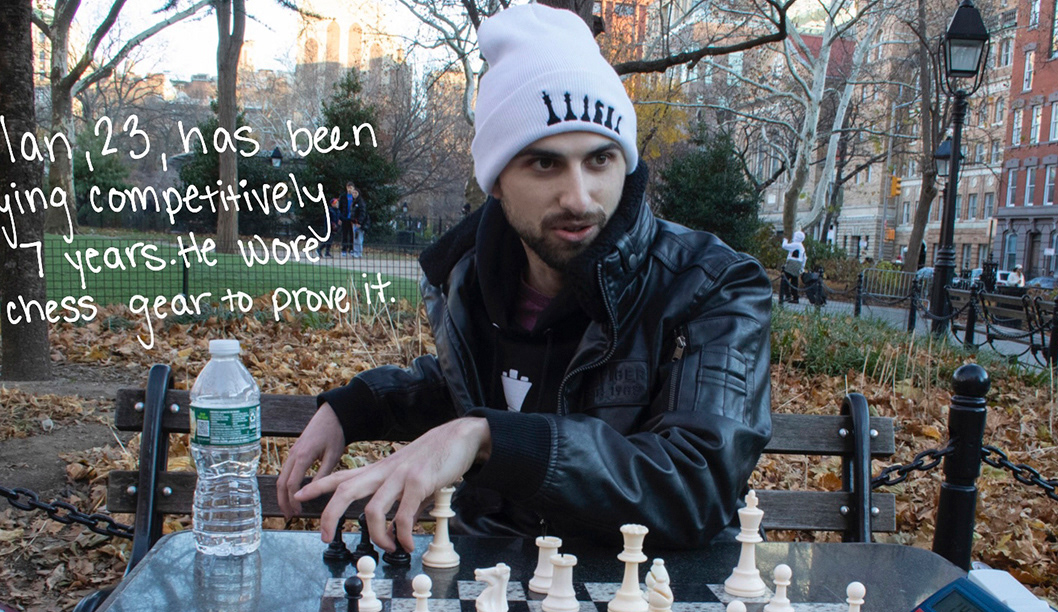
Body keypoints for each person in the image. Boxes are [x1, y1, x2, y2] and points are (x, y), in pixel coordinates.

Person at [275, 3, 772, 553]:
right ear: (495, 180)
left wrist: (489, 439)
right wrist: (356, 406)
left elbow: (696, 481)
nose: (579, 197)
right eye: (544, 163)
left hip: (657, 599)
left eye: (601, 159)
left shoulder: (713, 284)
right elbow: (478, 389)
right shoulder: (471, 282)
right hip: (492, 574)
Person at [780, 230, 806, 304]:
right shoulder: (801, 246)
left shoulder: (796, 245)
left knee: (785, 279)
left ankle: (787, 295)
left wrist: (785, 239)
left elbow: (784, 246)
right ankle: (795, 297)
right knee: (794, 282)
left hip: (792, 264)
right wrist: (802, 267)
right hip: (798, 264)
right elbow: (804, 257)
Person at [349, 184, 368, 258]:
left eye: (355, 193)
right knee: (356, 238)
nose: (354, 194)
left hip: (358, 223)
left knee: (359, 238)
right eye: (353, 193)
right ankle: (356, 252)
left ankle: (358, 252)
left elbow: (362, 213)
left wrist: (359, 222)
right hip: (354, 222)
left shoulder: (360, 202)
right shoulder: (354, 202)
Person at [338, 182, 355, 256]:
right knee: (344, 234)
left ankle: (351, 249)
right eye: (348, 188)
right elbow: (340, 208)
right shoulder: (343, 196)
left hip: (352, 219)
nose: (350, 189)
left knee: (352, 235)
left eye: (351, 188)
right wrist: (340, 218)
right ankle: (344, 249)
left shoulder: (355, 197)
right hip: (344, 218)